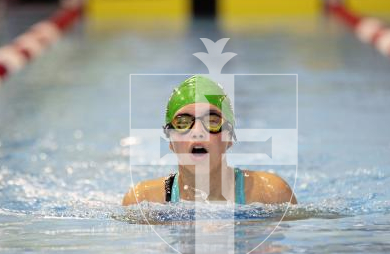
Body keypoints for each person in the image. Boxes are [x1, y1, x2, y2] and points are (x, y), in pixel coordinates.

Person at [122, 75, 297, 205]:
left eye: (212, 121)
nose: (198, 132)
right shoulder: (143, 201)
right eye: (183, 123)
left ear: (229, 137)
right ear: (170, 141)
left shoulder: (271, 194)